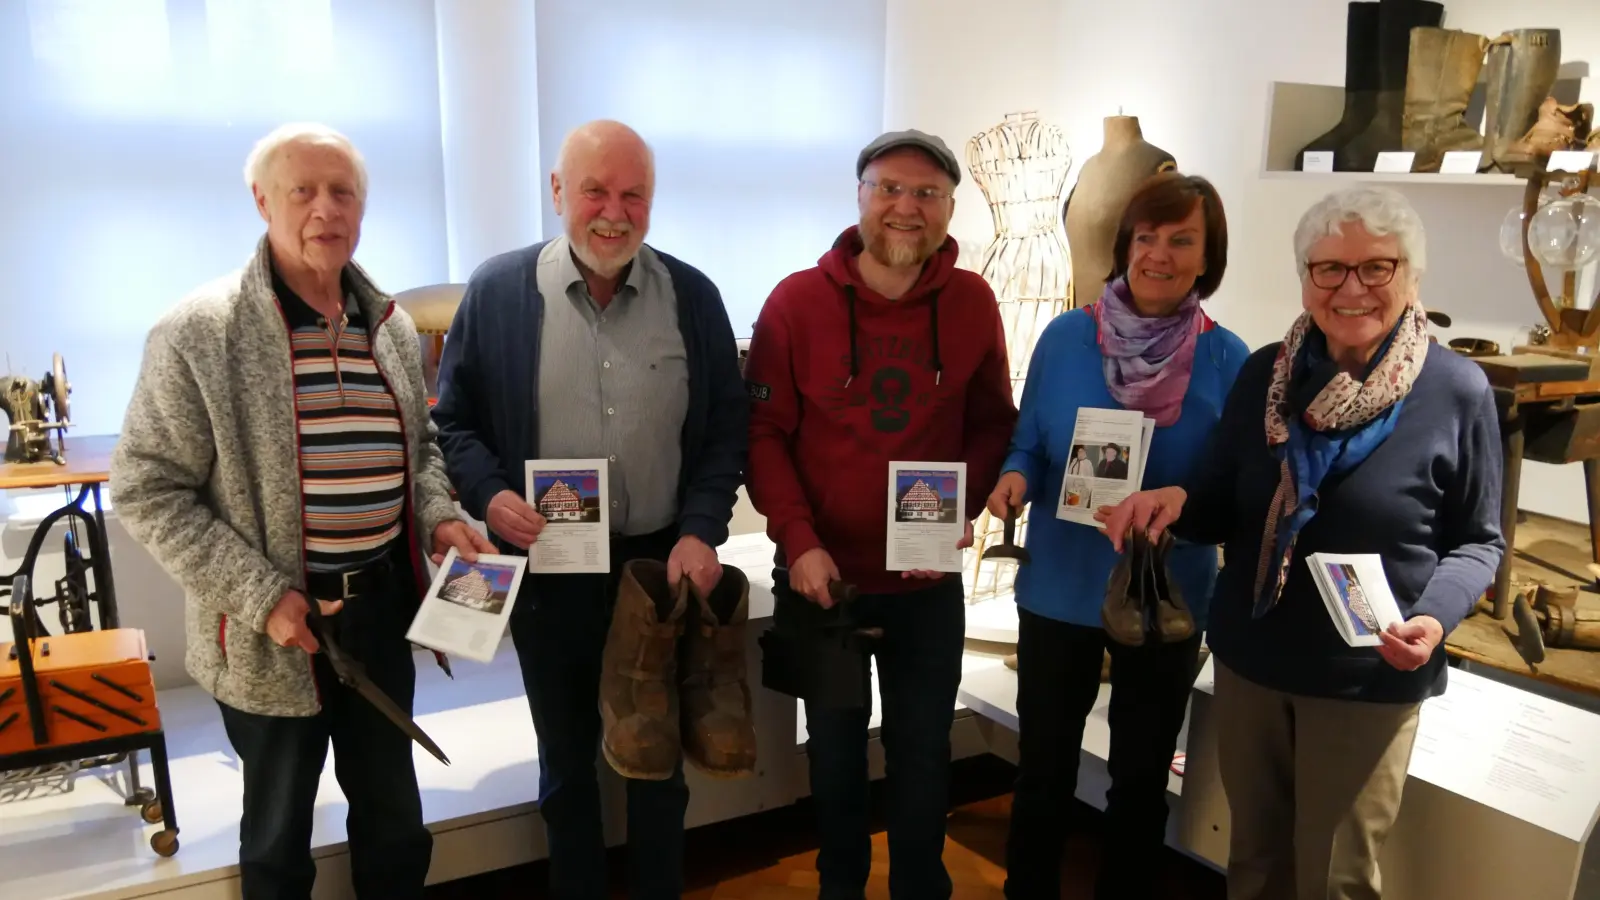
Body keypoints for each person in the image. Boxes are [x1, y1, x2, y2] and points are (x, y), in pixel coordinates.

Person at [111, 122, 494, 899]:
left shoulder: (386, 325)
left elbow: (420, 448)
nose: (326, 208)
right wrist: (261, 597)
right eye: (303, 191)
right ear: (262, 200)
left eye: (343, 191)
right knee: (279, 839)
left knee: (394, 822)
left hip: (379, 616)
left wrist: (438, 512)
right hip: (272, 632)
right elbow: (146, 487)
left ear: (363, 206)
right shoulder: (199, 332)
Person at [1102, 185, 1504, 900]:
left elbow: (1478, 543)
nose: (1352, 288)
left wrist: (1435, 618)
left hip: (1367, 674)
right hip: (1254, 660)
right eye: (1329, 269)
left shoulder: (1456, 390)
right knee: (1253, 862)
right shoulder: (1266, 373)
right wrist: (1173, 504)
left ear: (1412, 276)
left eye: (1376, 267)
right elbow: (1223, 501)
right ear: (1306, 278)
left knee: (1335, 880)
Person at [431, 119, 747, 900]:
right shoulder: (498, 293)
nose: (614, 212)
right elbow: (455, 422)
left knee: (658, 770)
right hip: (551, 577)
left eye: (632, 194)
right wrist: (490, 494)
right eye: (594, 191)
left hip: (656, 571)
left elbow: (723, 432)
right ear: (556, 192)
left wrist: (704, 529)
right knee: (567, 770)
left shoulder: (693, 296)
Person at [743, 129, 1018, 899]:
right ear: (860, 196)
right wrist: (797, 543)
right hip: (819, 582)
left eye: (926, 194)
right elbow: (763, 435)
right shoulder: (796, 302)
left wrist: (959, 505)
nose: (906, 208)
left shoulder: (971, 303)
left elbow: (994, 420)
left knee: (924, 756)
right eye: (889, 189)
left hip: (926, 585)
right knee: (832, 757)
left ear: (949, 209)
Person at [986, 172, 1247, 899]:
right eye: (1146, 237)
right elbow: (1029, 444)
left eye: (1181, 240)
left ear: (1207, 257)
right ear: (1125, 244)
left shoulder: (1231, 359)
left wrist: (1182, 500)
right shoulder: (1068, 337)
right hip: (1059, 585)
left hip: (1165, 596)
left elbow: (1232, 491)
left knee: (1139, 774)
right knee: (1042, 767)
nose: (1158, 254)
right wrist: (1013, 478)